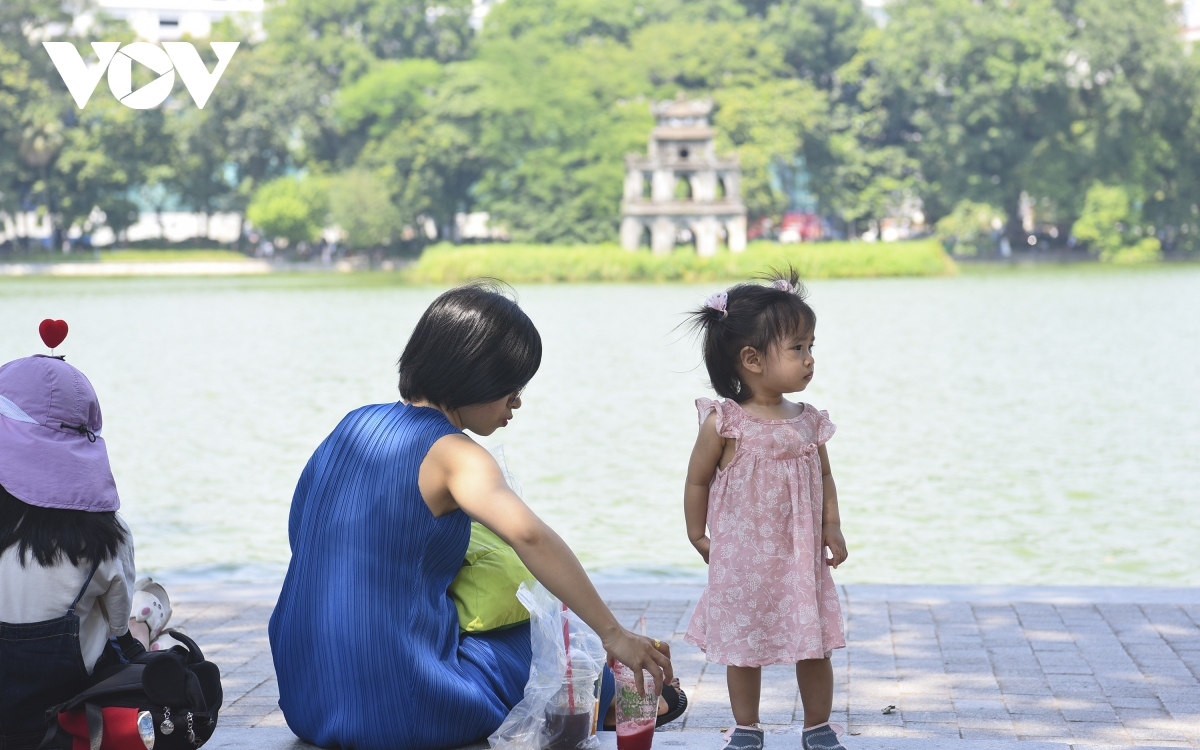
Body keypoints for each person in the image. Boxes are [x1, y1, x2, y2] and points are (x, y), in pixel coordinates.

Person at [269, 282, 684, 750]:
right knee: (552, 646)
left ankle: (603, 696)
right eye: (512, 385)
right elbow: (530, 536)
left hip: (305, 699)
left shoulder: (348, 429)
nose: (518, 401)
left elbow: (301, 535)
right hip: (399, 710)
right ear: (474, 375)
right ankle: (611, 700)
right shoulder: (456, 455)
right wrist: (613, 634)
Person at [682, 271, 849, 750]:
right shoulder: (726, 422)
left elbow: (823, 478)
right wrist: (698, 534)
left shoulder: (808, 422)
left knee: (813, 645)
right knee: (744, 648)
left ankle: (817, 725)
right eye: (797, 348)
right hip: (744, 558)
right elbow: (697, 479)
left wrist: (831, 525)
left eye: (811, 346)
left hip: (799, 558)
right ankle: (747, 726)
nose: (810, 358)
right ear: (752, 359)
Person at [0, 354, 146, 749]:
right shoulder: (107, 536)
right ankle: (152, 617)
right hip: (66, 729)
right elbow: (117, 631)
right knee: (128, 633)